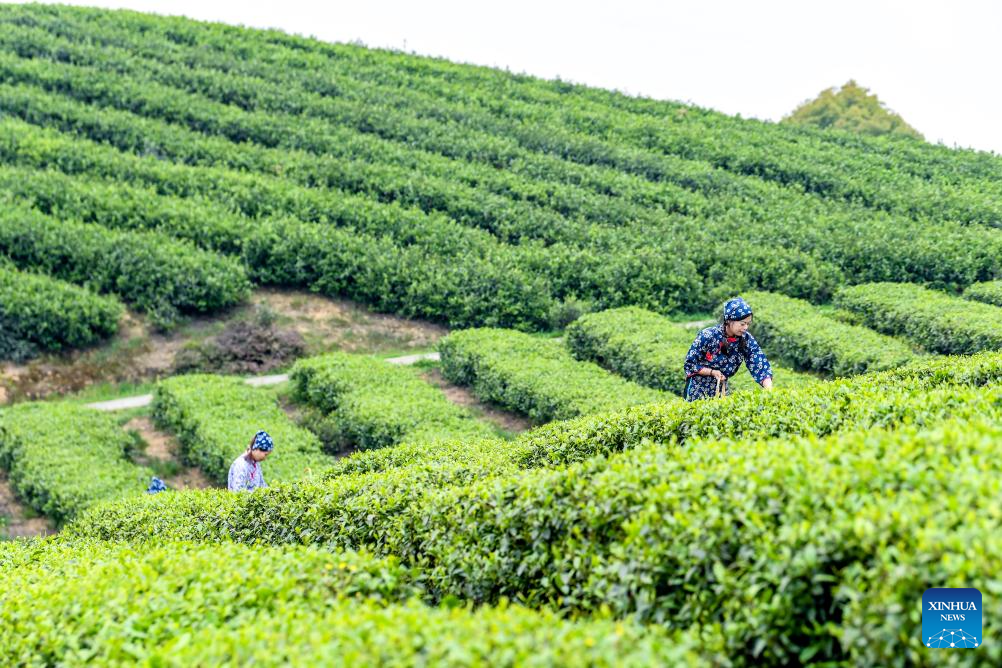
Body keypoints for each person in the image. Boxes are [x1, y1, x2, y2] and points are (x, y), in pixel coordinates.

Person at [683, 296, 774, 401]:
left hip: (722, 388)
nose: (745, 328)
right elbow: (690, 364)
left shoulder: (746, 339)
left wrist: (769, 389)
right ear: (729, 321)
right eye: (742, 324)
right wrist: (712, 372)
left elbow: (758, 362)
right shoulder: (708, 335)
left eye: (748, 324)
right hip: (697, 388)